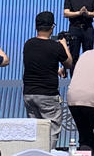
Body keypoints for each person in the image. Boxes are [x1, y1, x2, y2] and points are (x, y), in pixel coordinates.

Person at [23, 11, 73, 149]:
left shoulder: (28, 44)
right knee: (51, 131)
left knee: (36, 132)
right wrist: (64, 45)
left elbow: (38, 63)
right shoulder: (55, 46)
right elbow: (69, 63)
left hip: (29, 93)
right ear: (52, 27)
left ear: (36, 27)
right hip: (48, 94)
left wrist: (55, 70)